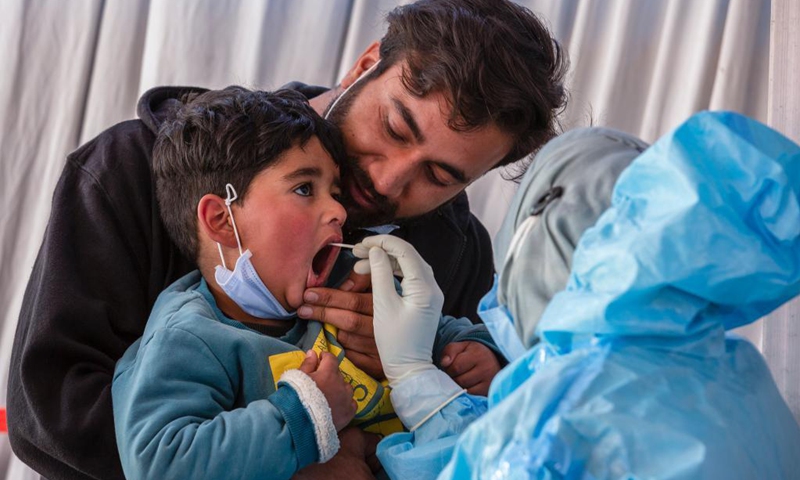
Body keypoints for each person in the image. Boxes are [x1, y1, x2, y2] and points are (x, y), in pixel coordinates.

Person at [8, 1, 567, 479]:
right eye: (395, 128)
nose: (388, 179)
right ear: (365, 65)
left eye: (441, 177)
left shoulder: (457, 252)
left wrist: (455, 372)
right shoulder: (130, 170)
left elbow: (490, 436)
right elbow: (50, 415)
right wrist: (292, 455)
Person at [357, 112, 800, 479]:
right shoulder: (737, 374)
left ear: (538, 225)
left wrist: (414, 376)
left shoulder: (568, 411)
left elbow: (512, 455)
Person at [111, 86, 502, 479]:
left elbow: (430, 330)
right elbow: (161, 463)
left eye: (334, 191)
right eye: (303, 189)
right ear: (221, 220)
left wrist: (474, 352)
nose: (337, 210)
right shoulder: (190, 337)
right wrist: (307, 413)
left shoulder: (347, 279)